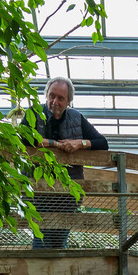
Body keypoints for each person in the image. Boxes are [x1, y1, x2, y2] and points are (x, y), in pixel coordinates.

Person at [30, 77, 108, 250]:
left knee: (59, 239)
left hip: (67, 193)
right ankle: (39, 274)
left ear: (68, 101)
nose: (54, 101)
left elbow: (103, 142)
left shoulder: (76, 118)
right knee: (42, 238)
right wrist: (56, 144)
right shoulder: (35, 113)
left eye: (60, 98)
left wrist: (80, 143)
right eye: (51, 96)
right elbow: (23, 137)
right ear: (46, 96)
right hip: (38, 190)